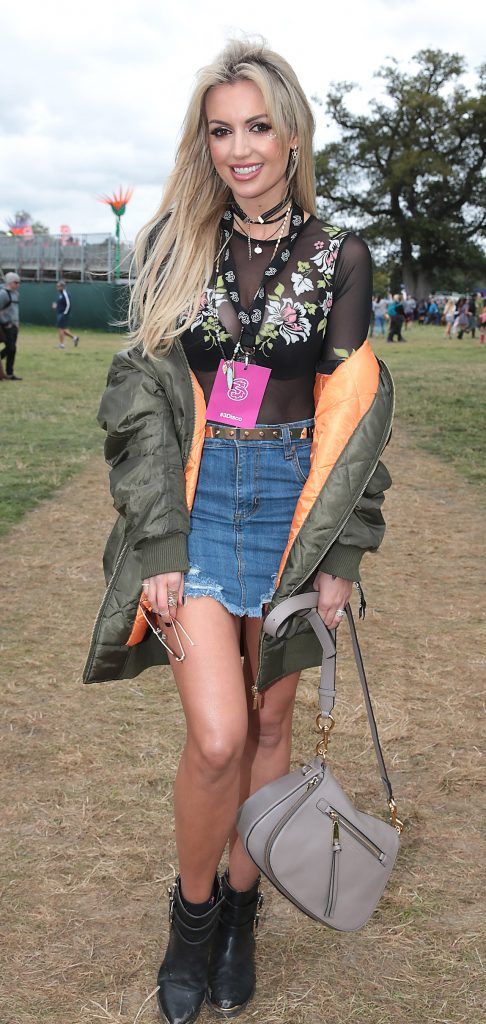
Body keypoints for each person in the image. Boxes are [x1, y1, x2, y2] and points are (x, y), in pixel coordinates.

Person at [84, 38, 394, 1024]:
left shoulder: (341, 254)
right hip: (203, 495)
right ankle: (194, 914)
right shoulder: (175, 238)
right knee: (218, 734)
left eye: (257, 125)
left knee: (270, 725)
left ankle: (242, 916)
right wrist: (159, 544)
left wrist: (340, 554)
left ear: (292, 131)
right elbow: (138, 402)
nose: (239, 147)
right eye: (221, 129)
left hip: (294, 508)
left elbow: (356, 409)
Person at [0, 272, 22, 380]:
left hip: (14, 325)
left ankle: (10, 373)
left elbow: (15, 310)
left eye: (19, 282)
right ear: (9, 282)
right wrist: (5, 322)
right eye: (16, 282)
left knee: (12, 350)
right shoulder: (3, 294)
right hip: (6, 326)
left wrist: (17, 323)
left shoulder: (16, 294)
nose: (18, 285)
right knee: (10, 347)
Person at [53, 281, 79, 348]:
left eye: (58, 286)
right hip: (60, 313)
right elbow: (60, 303)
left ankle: (61, 345)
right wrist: (56, 306)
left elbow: (68, 304)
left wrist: (65, 313)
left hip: (63, 314)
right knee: (63, 329)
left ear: (62, 287)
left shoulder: (65, 294)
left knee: (61, 329)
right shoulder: (60, 294)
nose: (57, 288)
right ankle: (74, 338)